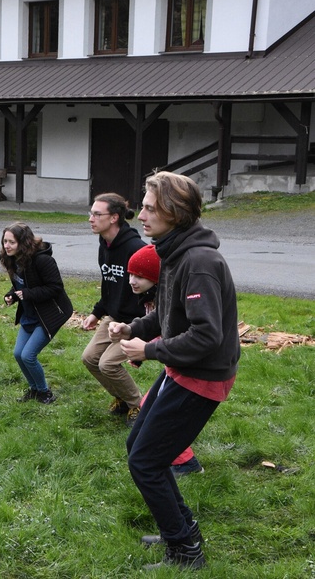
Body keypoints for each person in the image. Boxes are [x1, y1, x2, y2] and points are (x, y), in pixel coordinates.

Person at [110, 171, 240, 570]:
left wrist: (148, 350)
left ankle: (185, 552)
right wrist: (132, 328)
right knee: (141, 451)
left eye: (150, 208)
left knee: (146, 462)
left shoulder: (199, 261)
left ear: (175, 212)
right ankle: (178, 532)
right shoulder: (173, 251)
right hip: (183, 368)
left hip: (202, 375)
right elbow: (169, 316)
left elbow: (206, 336)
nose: (141, 215)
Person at [127, 244, 204, 478]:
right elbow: (157, 324)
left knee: (161, 419)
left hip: (192, 370)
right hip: (174, 366)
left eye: (139, 276)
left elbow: (177, 333)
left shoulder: (171, 294)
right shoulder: (153, 296)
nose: (132, 280)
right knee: (150, 410)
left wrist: (146, 350)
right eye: (130, 274)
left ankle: (187, 463)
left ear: (155, 276)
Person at [80, 193, 147, 427]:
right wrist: (96, 313)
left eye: (97, 214)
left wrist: (144, 324)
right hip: (114, 317)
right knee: (89, 358)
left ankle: (139, 405)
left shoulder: (136, 248)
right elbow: (109, 283)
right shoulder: (105, 244)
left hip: (138, 321)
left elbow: (153, 288)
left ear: (114, 218)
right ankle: (122, 397)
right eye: (91, 213)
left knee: (107, 363)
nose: (91, 218)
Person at [0, 222, 73, 404]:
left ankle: (45, 392)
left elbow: (56, 287)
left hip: (50, 314)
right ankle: (34, 390)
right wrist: (12, 296)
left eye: (11, 242)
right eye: (5, 241)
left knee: (28, 355)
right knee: (18, 354)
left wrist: (27, 294)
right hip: (30, 313)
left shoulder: (42, 260)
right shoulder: (12, 259)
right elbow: (21, 283)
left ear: (23, 243)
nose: (6, 246)